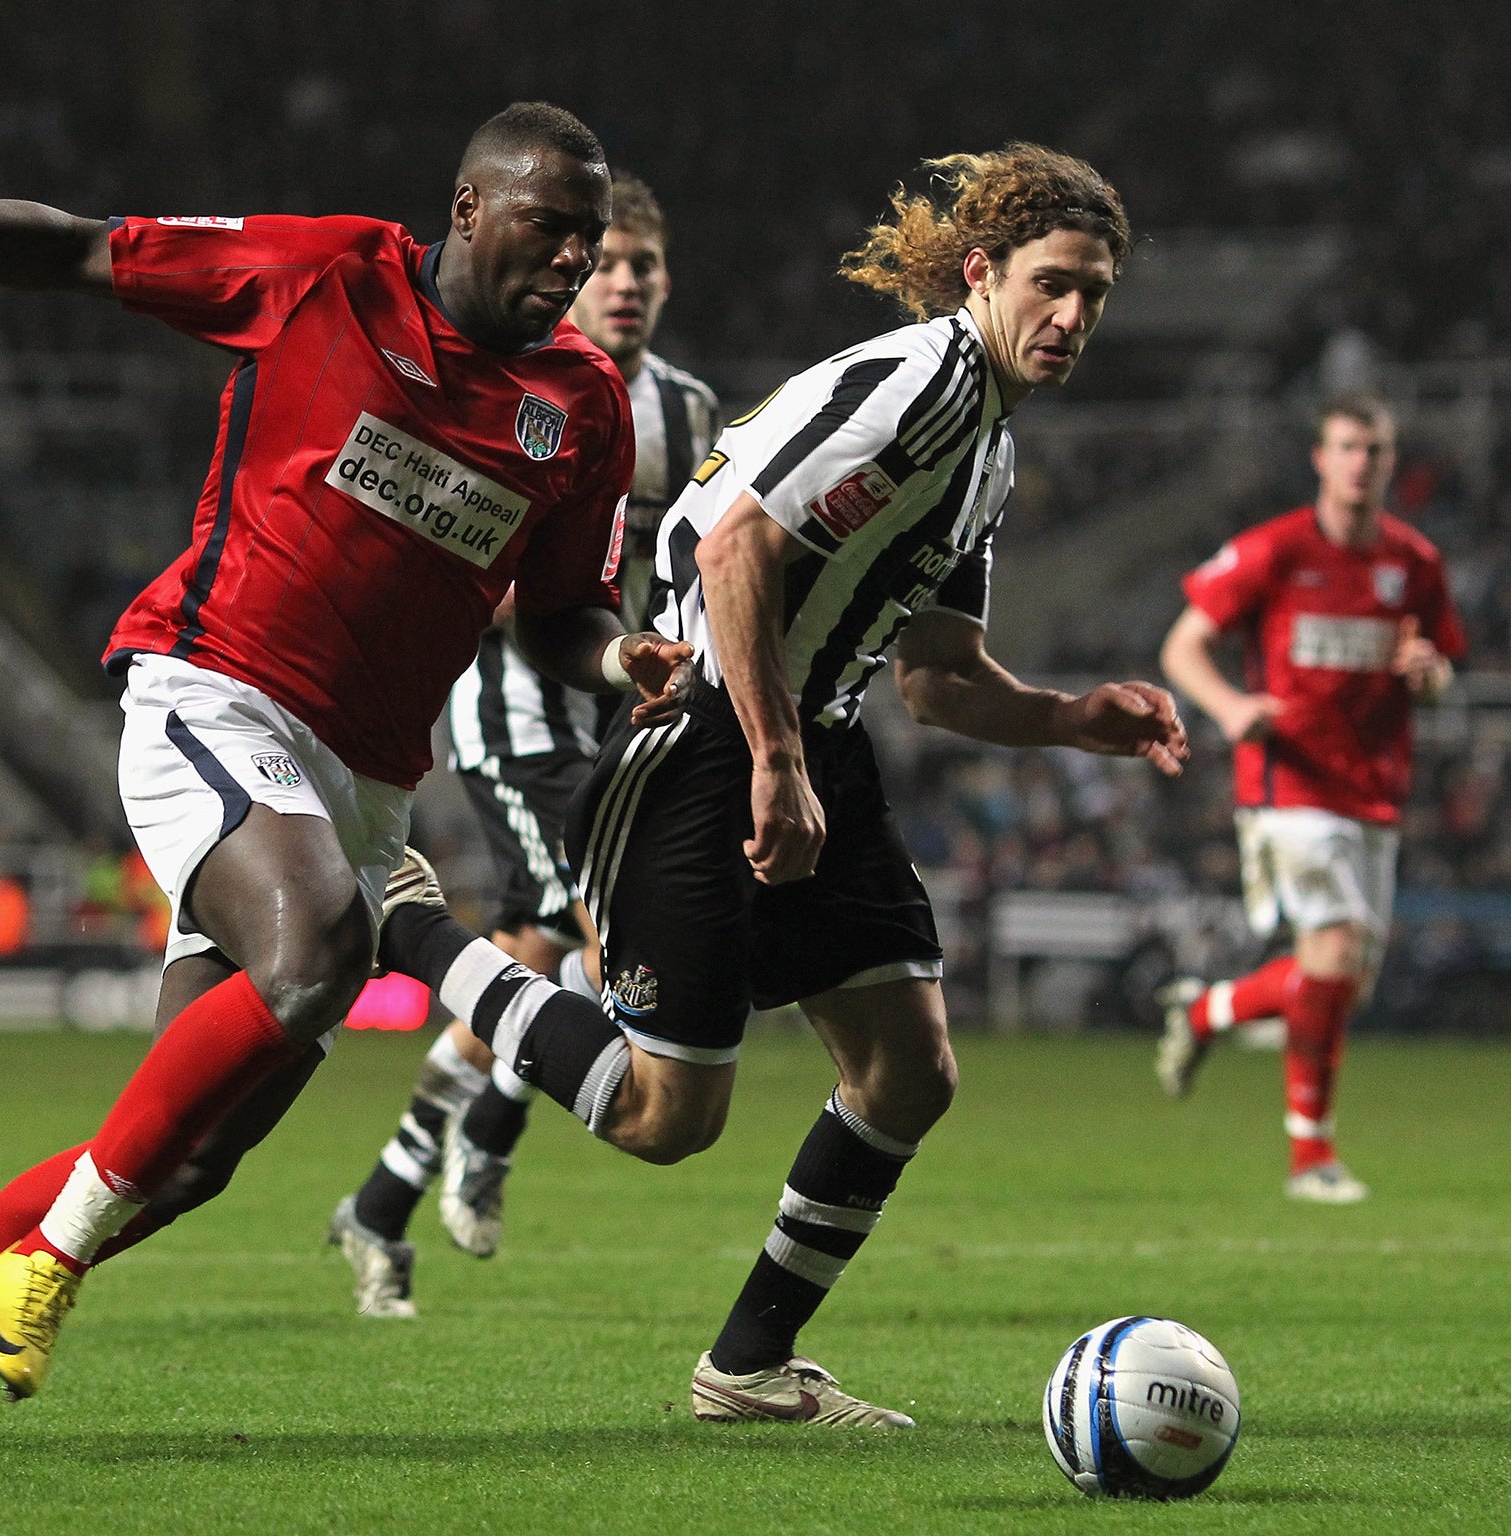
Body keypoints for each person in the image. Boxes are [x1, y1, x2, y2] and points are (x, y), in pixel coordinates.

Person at [0, 101, 694, 1445]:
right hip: (214, 692)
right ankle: (47, 1264)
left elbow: (562, 610)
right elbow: (80, 250)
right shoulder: (331, 274)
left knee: (192, 1152)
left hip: (364, 781)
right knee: (323, 945)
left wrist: (623, 658)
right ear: (467, 209)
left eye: (590, 238)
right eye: (549, 229)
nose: (573, 260)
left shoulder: (584, 406)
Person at [377, 143, 1187, 1427]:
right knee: (661, 1118)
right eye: (1051, 285)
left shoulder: (987, 454)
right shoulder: (916, 382)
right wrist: (770, 756)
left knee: (908, 1070)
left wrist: (1069, 716)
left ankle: (746, 1369)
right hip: (705, 739)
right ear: (979, 274)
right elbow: (734, 540)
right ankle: (408, 922)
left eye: (1094, 294)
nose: (1072, 317)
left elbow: (934, 673)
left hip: (817, 740)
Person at [331, 172, 720, 1316]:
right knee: (609, 949)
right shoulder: (519, 386)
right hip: (517, 716)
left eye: (643, 265)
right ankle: (490, 1135)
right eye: (606, 264)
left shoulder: (689, 412)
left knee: (535, 956)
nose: (624, 284)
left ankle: (381, 1202)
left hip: (621, 718)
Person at [1155, 394, 1464, 1202]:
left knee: (1343, 981)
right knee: (1331, 955)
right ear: (1321, 460)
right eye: (1348, 447)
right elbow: (1183, 643)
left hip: (1374, 790)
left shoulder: (1416, 563)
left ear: (1391, 463)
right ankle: (1310, 1159)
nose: (1362, 462)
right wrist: (1230, 709)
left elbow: (1437, 672)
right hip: (1290, 783)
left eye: (1376, 449)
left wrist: (1429, 677)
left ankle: (1207, 1011)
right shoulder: (1276, 549)